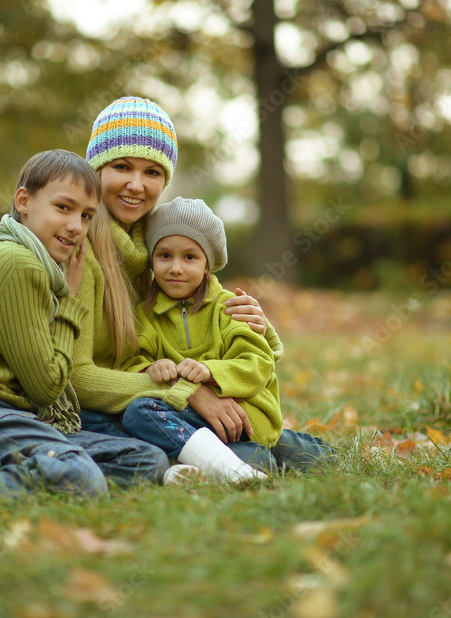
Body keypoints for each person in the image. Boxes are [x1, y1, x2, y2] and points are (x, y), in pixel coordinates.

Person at [70, 97, 331, 474]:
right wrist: (191, 393)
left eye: (152, 172)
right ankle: (240, 459)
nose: (136, 184)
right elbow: (84, 373)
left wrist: (260, 327)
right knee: (152, 431)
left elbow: (248, 351)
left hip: (179, 402)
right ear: (96, 169)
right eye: (121, 166)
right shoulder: (77, 247)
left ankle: (271, 449)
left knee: (280, 444)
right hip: (121, 404)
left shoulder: (155, 247)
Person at [0, 149, 169, 499]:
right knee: (79, 478)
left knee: (144, 461)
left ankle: (24, 473)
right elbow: (46, 387)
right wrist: (69, 306)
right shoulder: (16, 262)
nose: (76, 226)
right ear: (24, 200)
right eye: (63, 208)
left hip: (2, 416)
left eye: (87, 216)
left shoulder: (40, 265)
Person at [121, 197, 332, 483]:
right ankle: (227, 462)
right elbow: (132, 360)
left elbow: (258, 364)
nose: (176, 268)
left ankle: (311, 450)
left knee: (313, 459)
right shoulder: (144, 315)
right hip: (189, 419)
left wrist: (211, 371)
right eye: (165, 256)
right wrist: (150, 367)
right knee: (138, 413)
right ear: (151, 260)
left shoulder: (231, 308)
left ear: (208, 265)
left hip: (243, 420)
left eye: (190, 257)